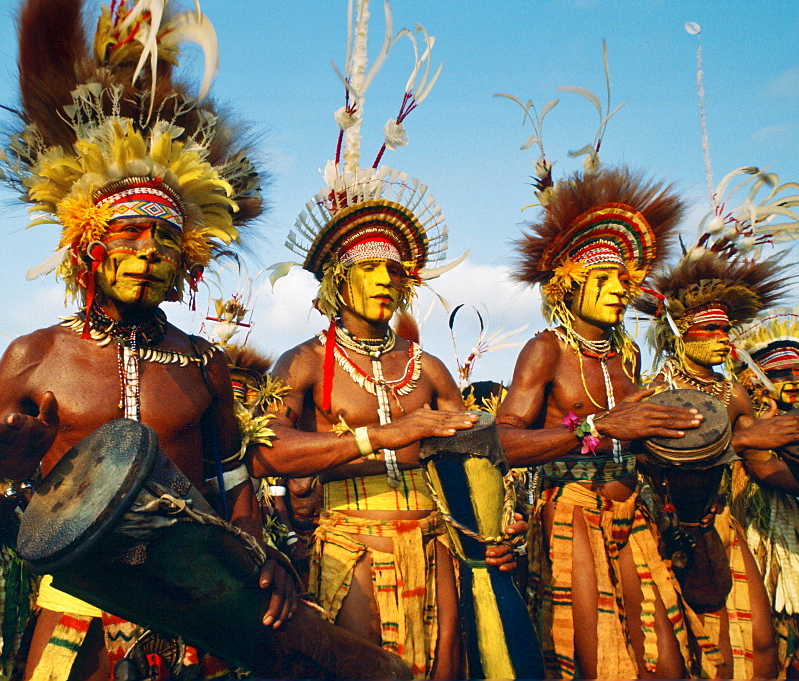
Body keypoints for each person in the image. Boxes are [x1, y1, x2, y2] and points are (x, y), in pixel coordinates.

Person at [0, 2, 295, 679]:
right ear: (86, 245)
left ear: (188, 260)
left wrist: (261, 558)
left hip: (199, 609)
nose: (146, 254)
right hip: (76, 617)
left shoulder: (201, 362)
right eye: (129, 234)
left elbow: (235, 491)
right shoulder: (35, 356)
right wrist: (4, 475)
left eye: (165, 239)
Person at [249, 4, 523, 677]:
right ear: (337, 280)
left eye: (394, 268)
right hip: (349, 545)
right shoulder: (307, 362)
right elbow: (266, 452)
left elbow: (477, 446)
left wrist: (500, 519)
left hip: (436, 541)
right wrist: (383, 437)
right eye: (368, 266)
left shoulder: (426, 366)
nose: (384, 278)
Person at [496, 166, 723, 679]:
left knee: (668, 661)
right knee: (596, 663)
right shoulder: (545, 350)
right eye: (603, 280)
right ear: (567, 286)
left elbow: (635, 437)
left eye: (625, 281)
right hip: (572, 512)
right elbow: (505, 441)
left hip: (634, 510)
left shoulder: (628, 356)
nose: (619, 291)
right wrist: (593, 427)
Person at [635, 248, 799, 678]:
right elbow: (653, 459)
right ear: (681, 333)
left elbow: (761, 463)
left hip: (724, 522)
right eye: (711, 329)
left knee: (761, 642)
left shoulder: (733, 393)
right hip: (668, 525)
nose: (723, 338)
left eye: (726, 329)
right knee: (684, 643)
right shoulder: (657, 389)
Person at [731, 307, 799, 675]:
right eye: (779, 373)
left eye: (797, 370)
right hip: (763, 543)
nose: (793, 380)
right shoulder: (752, 416)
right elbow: (766, 472)